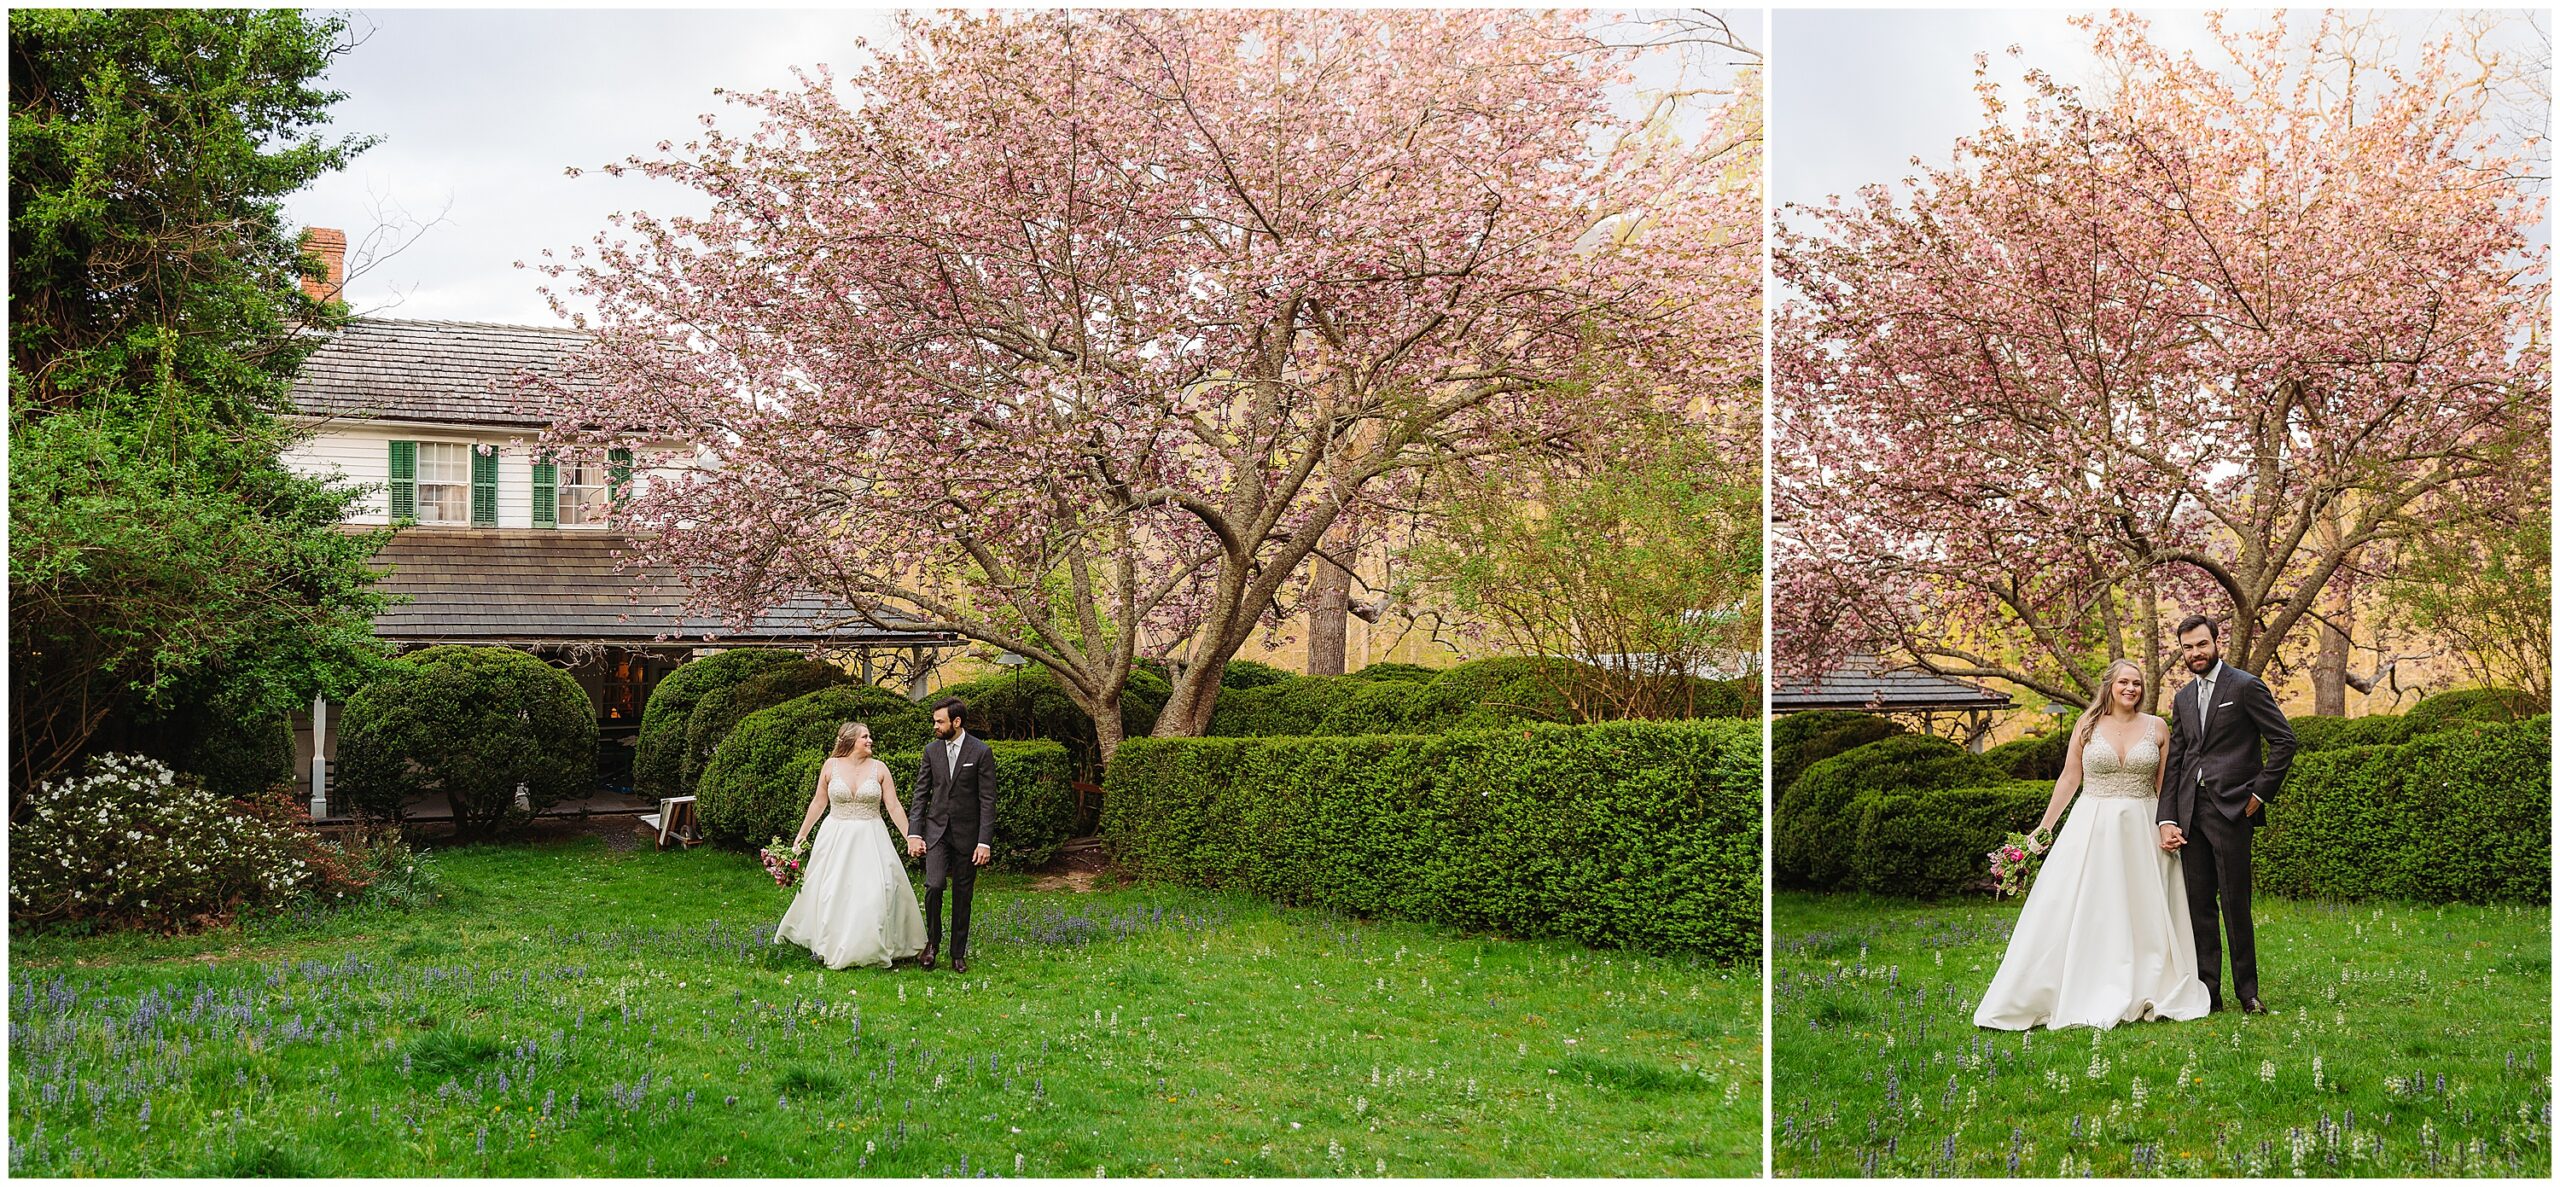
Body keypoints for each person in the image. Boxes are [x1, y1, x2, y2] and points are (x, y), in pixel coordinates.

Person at [1975, 658, 2212, 1030]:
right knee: (2088, 906)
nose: (2131, 688)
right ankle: (2076, 983)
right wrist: (2044, 829)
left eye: (2136, 683)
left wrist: (2171, 825)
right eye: (2124, 682)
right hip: (2092, 826)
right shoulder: (2087, 725)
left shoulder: (2158, 727)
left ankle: (2148, 982)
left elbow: (2166, 786)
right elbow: (2070, 778)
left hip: (2142, 827)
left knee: (2143, 907)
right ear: (2109, 686)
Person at [2157, 613, 2295, 1015]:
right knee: (2198, 905)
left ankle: (2247, 993)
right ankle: (2208, 994)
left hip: (2233, 810)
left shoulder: (2246, 686)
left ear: (2217, 643)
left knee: (2236, 904)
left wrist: (2259, 794)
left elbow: (2284, 741)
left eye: (2201, 644)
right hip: (2190, 815)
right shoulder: (2182, 698)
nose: (2195, 653)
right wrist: (2168, 817)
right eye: (2187, 647)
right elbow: (2177, 763)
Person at [773, 721, 926, 969]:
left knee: (878, 889)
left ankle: (875, 944)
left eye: (870, 736)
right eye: (865, 736)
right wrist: (801, 835)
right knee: (832, 891)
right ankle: (830, 941)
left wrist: (911, 836)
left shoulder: (880, 769)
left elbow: (894, 806)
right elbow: (818, 803)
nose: (870, 740)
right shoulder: (830, 766)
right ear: (850, 740)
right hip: (835, 836)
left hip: (871, 836)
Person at [907, 697, 997, 974]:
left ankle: (957, 953)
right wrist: (914, 833)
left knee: (963, 894)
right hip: (936, 833)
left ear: (956, 722)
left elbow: (988, 800)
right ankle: (931, 945)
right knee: (933, 886)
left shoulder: (981, 752)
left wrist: (984, 841)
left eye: (940, 721)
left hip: (968, 837)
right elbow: (921, 793)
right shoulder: (931, 751)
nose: (935, 726)